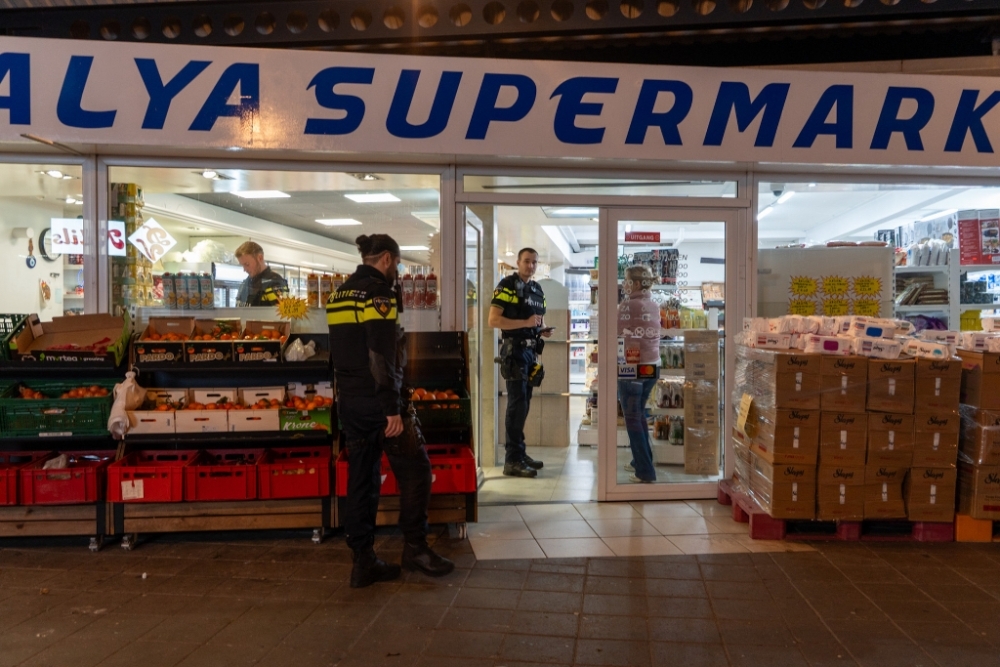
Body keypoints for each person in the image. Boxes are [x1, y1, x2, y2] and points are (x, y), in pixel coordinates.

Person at [328, 233, 454, 588]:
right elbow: (380, 353)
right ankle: (415, 549)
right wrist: (391, 408)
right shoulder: (378, 293)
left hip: (350, 401)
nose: (397, 270)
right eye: (397, 263)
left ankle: (363, 561)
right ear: (386, 258)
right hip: (377, 401)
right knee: (416, 470)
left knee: (362, 478)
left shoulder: (339, 294)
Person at [488, 248, 554, 478]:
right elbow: (493, 320)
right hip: (514, 351)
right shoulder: (506, 286)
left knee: (524, 404)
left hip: (530, 352)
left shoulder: (537, 289)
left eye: (534, 262)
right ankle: (512, 460)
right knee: (516, 405)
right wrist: (525, 322)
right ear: (518, 262)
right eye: (526, 261)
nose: (531, 266)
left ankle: (520, 452)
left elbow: (538, 319)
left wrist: (542, 329)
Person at [617, 265, 660, 483]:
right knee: (639, 414)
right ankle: (641, 460)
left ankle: (645, 471)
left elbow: (615, 331)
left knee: (633, 418)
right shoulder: (653, 303)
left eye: (626, 280)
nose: (624, 284)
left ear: (635, 283)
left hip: (632, 368)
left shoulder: (628, 305)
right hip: (652, 366)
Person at [234, 241, 289, 306]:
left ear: (260, 258)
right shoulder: (245, 283)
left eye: (247, 264)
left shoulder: (275, 283)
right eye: (242, 265)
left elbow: (281, 311)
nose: (244, 269)